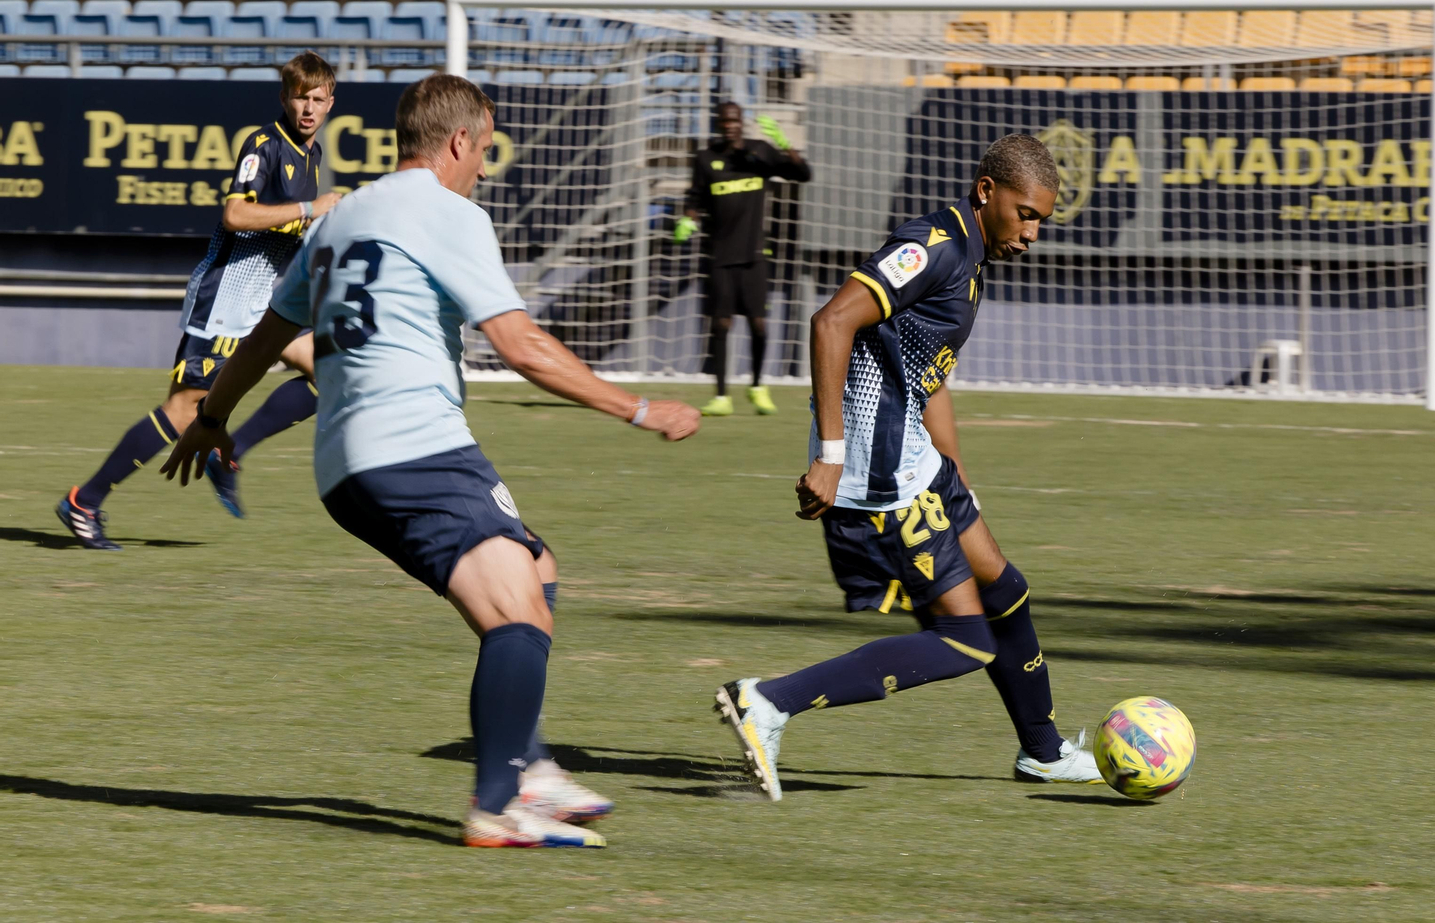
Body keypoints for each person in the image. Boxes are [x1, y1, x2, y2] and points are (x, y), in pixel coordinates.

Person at [160, 74, 700, 849]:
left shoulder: (342, 216)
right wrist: (641, 409)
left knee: (534, 568)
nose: (482, 166)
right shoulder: (450, 214)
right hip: (414, 446)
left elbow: (269, 336)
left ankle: (531, 770)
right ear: (458, 141)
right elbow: (522, 346)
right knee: (516, 612)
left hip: (344, 466)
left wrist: (213, 417)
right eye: (483, 150)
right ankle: (498, 805)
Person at [714, 134, 1102, 801]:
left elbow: (928, 376)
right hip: (879, 472)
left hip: (918, 458)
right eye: (1026, 214)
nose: (1033, 233)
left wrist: (958, 476)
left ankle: (1043, 752)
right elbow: (832, 322)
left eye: (1042, 220)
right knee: (966, 640)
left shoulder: (971, 256)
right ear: (987, 192)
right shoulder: (934, 248)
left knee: (1006, 589)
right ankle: (768, 702)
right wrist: (830, 457)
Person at [58, 52, 341, 547]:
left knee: (331, 369)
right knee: (184, 410)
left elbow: (292, 226)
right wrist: (308, 208)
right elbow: (235, 215)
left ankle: (229, 454)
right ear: (284, 98)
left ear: (331, 103)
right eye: (300, 98)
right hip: (225, 298)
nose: (308, 108)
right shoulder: (263, 145)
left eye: (318, 99)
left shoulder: (311, 154)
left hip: (262, 297)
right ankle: (85, 500)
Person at [677, 102, 811, 418]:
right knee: (721, 324)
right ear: (718, 124)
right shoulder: (706, 158)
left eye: (734, 120)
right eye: (725, 121)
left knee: (759, 325)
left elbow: (803, 174)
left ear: (741, 122)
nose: (730, 126)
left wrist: (785, 144)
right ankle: (721, 395)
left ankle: (757, 386)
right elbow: (695, 197)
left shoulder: (760, 152)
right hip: (720, 254)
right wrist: (688, 218)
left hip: (754, 255)